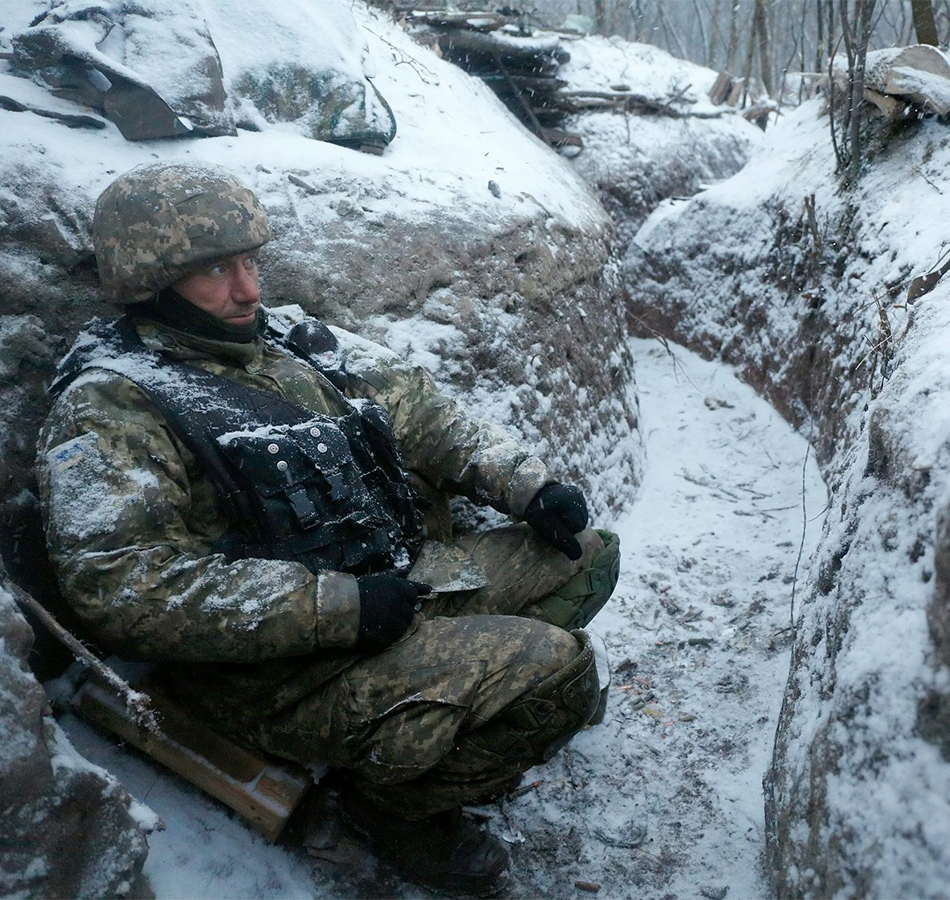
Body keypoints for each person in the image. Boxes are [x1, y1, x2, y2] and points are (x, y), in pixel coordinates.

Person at [36, 162, 621, 897]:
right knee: (558, 669)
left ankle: (470, 721)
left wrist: (526, 485)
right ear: (151, 283)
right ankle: (392, 807)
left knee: (591, 557)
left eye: (249, 263)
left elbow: (426, 415)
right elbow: (122, 589)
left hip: (391, 584)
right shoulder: (112, 406)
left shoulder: (291, 341)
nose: (247, 290)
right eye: (215, 272)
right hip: (275, 672)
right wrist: (335, 607)